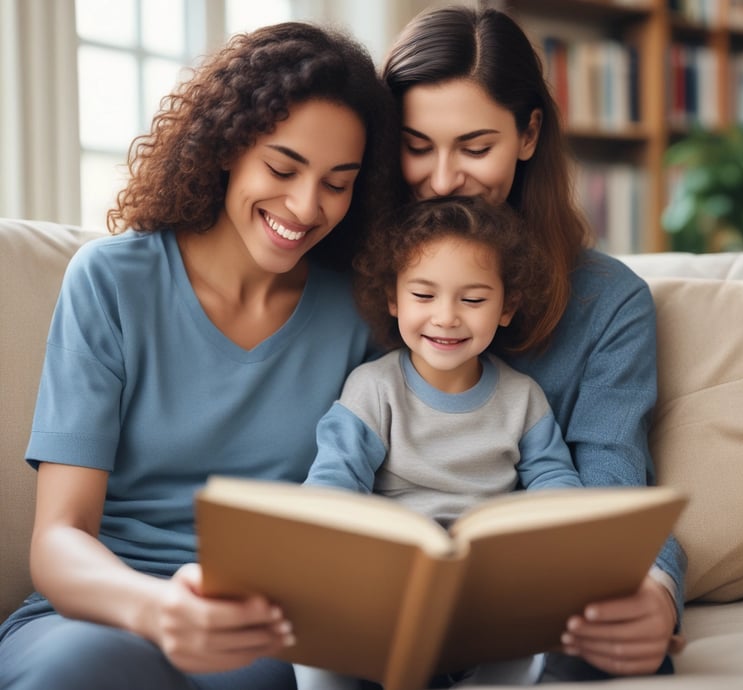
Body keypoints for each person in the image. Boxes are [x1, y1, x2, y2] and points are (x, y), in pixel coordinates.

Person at [0, 21, 399, 690]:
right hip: (101, 610)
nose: (306, 206)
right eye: (282, 168)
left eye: (337, 183)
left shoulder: (357, 314)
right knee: (86, 668)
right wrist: (159, 610)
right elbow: (60, 536)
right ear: (227, 146)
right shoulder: (112, 280)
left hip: (261, 630)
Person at [381, 4, 687, 683]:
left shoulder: (608, 304)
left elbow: (611, 488)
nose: (442, 180)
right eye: (417, 146)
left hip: (534, 601)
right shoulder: (356, 277)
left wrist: (655, 589)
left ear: (528, 134)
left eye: (475, 148)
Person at [295, 195, 584, 690]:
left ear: (507, 307)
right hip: (389, 583)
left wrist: (553, 534)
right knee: (316, 633)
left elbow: (554, 480)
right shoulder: (374, 388)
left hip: (484, 589)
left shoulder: (523, 398)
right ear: (394, 299)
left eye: (472, 300)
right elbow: (333, 480)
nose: (446, 317)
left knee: (533, 629)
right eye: (424, 296)